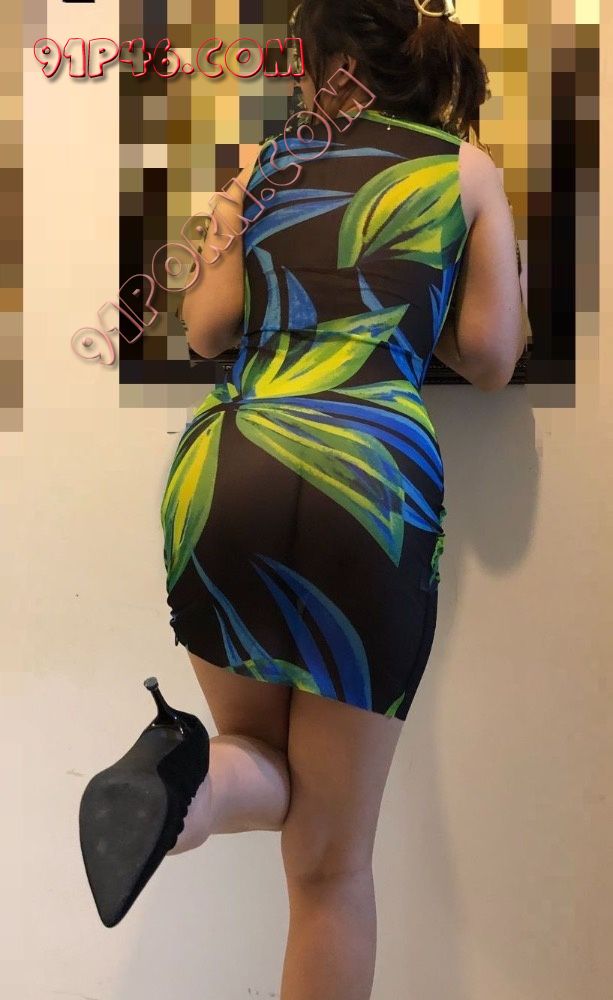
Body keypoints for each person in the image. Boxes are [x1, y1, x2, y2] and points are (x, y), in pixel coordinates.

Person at [83, 0, 525, 995]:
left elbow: (206, 326)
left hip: (228, 462)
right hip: (366, 481)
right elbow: (492, 354)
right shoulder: (462, 171)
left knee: (257, 758)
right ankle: (189, 783)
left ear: (317, 65)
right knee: (331, 865)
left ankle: (187, 785)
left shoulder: (263, 166)